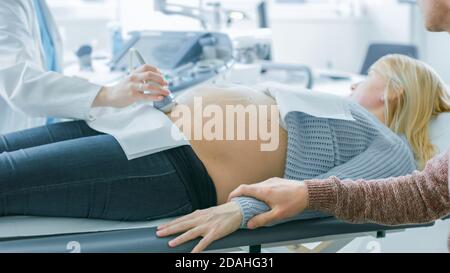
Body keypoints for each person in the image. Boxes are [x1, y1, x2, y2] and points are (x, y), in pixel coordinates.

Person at [156, 0, 450, 253]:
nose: (354, 82)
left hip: (188, 168)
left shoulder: (388, 146)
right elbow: (428, 192)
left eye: (369, 75)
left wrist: (242, 209)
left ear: (394, 91)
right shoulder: (353, 119)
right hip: (161, 134)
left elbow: (421, 194)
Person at [0, 0, 170, 134]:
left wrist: (111, 96)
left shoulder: (36, 5)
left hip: (43, 124)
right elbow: (20, 84)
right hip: (14, 135)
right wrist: (108, 94)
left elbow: (44, 71)